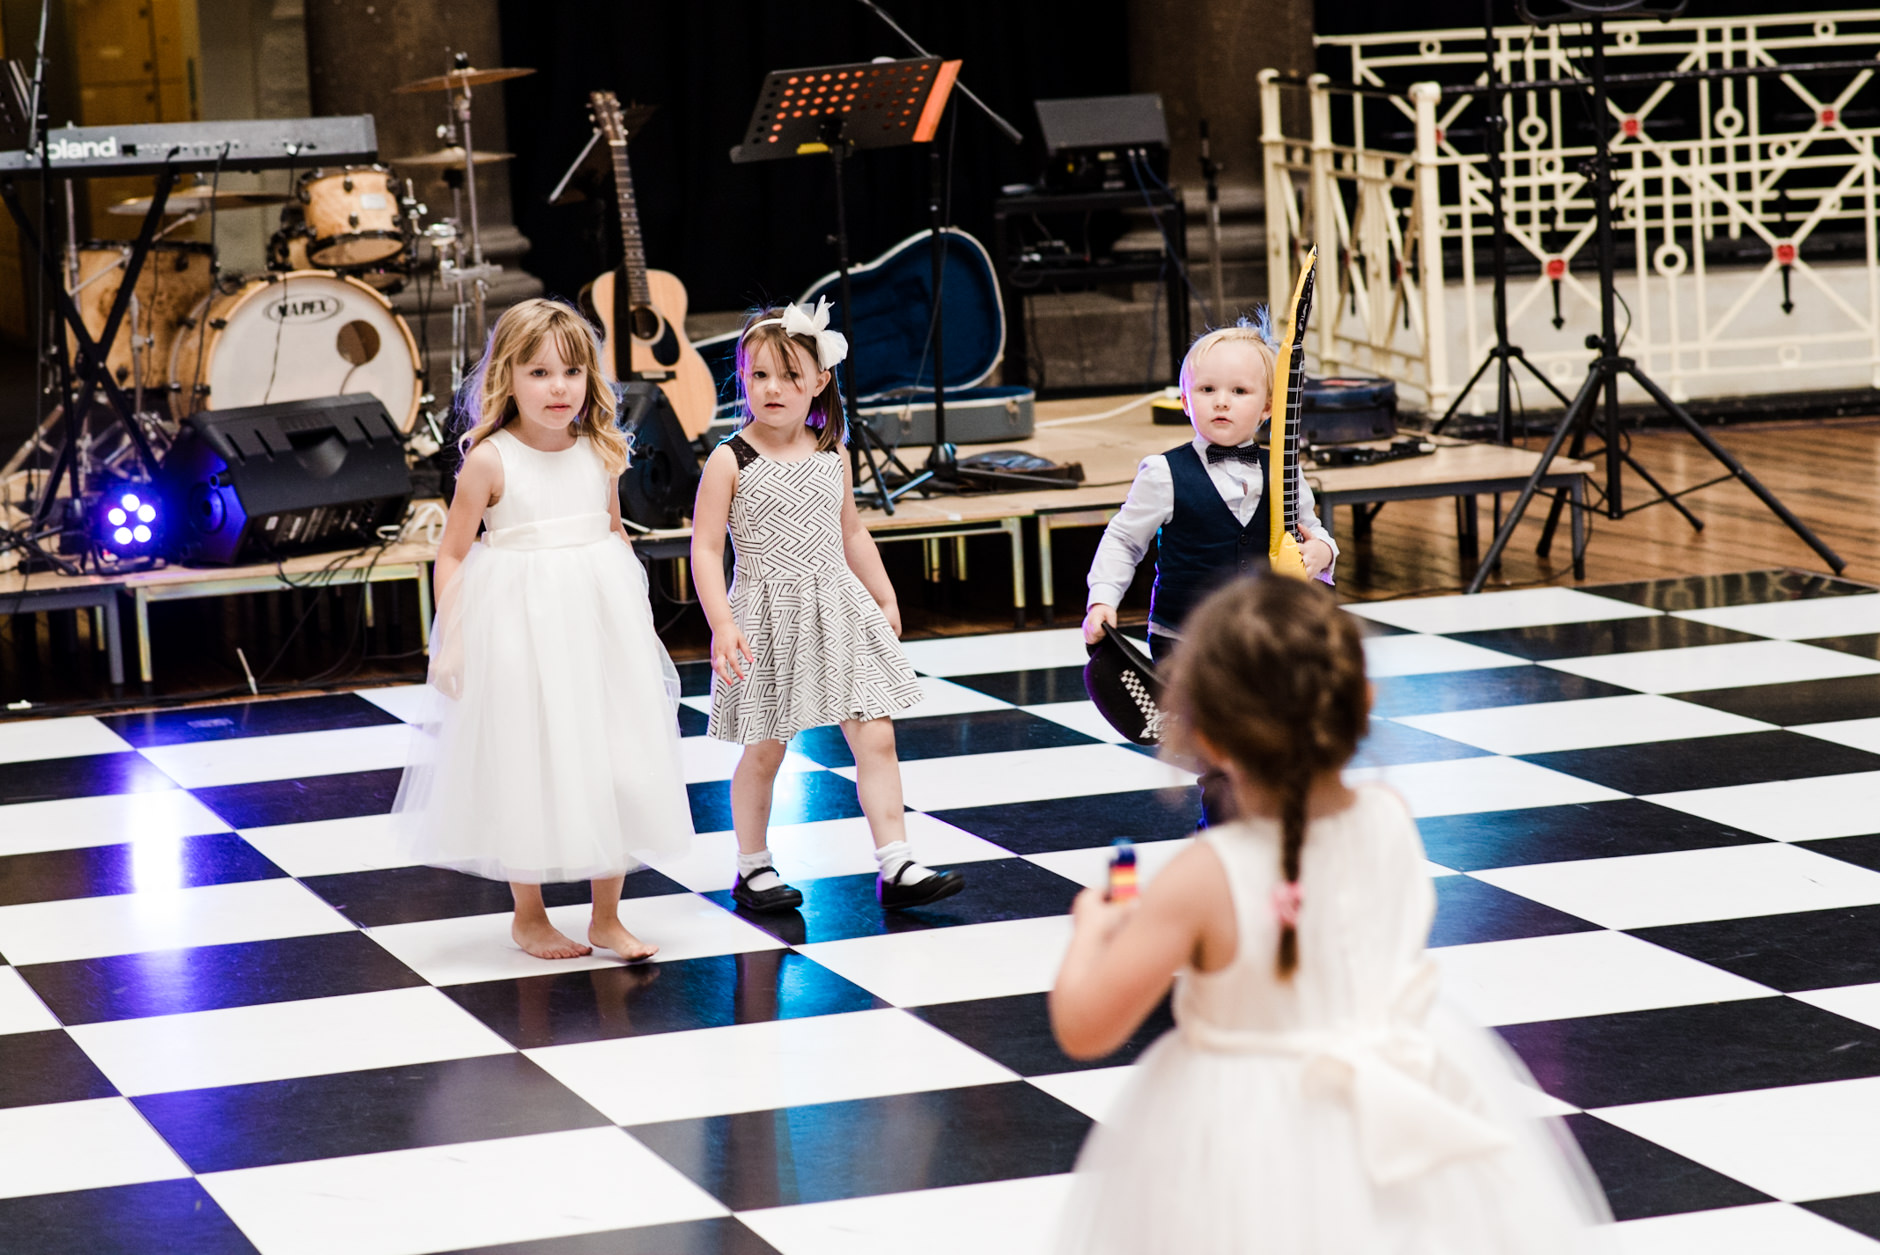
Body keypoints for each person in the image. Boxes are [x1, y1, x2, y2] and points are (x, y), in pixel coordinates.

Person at [1050, 577, 1609, 1255]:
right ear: (1362, 704)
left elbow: (1085, 1025)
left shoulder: (1205, 876)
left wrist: (1093, 927)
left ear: (1205, 734)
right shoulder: (1389, 816)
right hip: (1405, 1107)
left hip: (1242, 1138)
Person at [393, 298, 693, 962]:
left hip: (596, 620)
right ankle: (528, 914)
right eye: (539, 373)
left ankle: (606, 916)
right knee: (527, 756)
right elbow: (452, 553)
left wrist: (635, 625)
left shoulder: (600, 449)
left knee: (613, 755)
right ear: (508, 378)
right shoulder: (492, 460)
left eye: (571, 372)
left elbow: (611, 530)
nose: (558, 388)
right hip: (518, 622)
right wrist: (455, 638)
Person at [691, 298, 964, 914]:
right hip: (763, 614)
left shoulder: (830, 453)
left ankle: (896, 861)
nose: (773, 388)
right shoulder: (730, 459)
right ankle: (752, 867)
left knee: (877, 736)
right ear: (743, 379)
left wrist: (884, 594)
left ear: (819, 381)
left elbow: (852, 533)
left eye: (790, 376)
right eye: (759, 375)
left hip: (836, 606)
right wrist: (722, 622)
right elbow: (706, 548)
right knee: (765, 747)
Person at [1081, 314, 1338, 666]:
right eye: (1207, 390)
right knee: (1193, 720)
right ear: (1186, 402)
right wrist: (1103, 600)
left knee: (1258, 719)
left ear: (1267, 407)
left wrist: (1322, 551)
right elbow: (1124, 540)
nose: (1221, 401)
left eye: (1239, 391)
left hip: (1265, 636)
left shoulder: (1283, 470)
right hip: (1184, 637)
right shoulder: (1164, 473)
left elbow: (1311, 529)